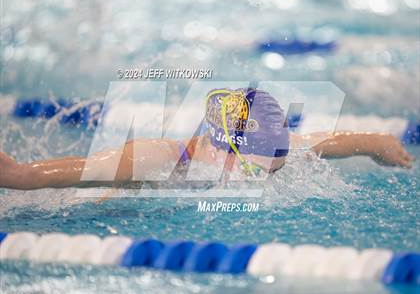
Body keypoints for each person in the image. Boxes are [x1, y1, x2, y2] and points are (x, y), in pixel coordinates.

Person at [0, 88, 414, 190]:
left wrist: (377, 141)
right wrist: (16, 174)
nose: (263, 174)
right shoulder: (157, 158)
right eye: (254, 166)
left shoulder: (272, 148)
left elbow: (333, 141)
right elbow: (78, 170)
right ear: (220, 148)